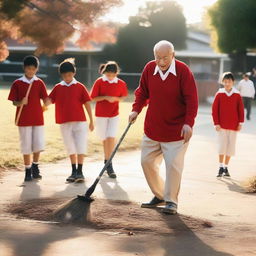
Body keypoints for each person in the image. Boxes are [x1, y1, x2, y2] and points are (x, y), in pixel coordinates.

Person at [129, 40, 198, 215]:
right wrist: (135, 110)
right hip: (153, 128)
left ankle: (171, 201)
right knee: (146, 161)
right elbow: (142, 92)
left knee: (173, 166)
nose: (160, 62)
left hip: (177, 131)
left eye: (165, 58)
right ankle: (160, 195)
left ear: (173, 55)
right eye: (157, 57)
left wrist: (188, 123)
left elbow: (192, 99)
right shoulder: (149, 68)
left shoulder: (183, 71)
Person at [46, 58, 94, 182]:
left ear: (74, 73)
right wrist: (42, 102)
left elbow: (87, 104)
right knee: (70, 146)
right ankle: (73, 172)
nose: (67, 77)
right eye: (64, 75)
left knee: (80, 146)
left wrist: (91, 120)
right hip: (64, 122)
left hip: (80, 122)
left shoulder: (80, 86)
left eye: (69, 75)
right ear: (61, 75)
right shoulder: (58, 87)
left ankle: (80, 172)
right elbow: (49, 101)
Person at [8, 55, 48, 181]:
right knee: (26, 145)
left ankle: (35, 167)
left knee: (38, 144)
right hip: (24, 120)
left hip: (37, 118)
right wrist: (21, 102)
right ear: (24, 68)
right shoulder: (17, 83)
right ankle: (27, 170)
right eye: (28, 68)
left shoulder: (39, 82)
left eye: (33, 69)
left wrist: (47, 103)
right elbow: (14, 102)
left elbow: (45, 98)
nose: (30, 71)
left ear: (36, 69)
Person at [90, 61, 128, 178]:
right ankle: (107, 161)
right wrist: (105, 97)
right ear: (104, 72)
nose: (110, 77)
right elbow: (93, 98)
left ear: (116, 73)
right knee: (104, 139)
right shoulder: (99, 82)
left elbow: (123, 97)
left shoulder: (121, 83)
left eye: (113, 74)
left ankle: (109, 164)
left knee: (111, 137)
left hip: (114, 115)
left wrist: (115, 99)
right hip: (101, 115)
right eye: (108, 74)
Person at [212, 72, 244, 178]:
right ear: (222, 82)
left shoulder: (237, 94)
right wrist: (216, 123)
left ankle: (226, 167)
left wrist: (241, 123)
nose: (227, 83)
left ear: (233, 82)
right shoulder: (219, 93)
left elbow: (240, 110)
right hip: (221, 126)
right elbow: (214, 110)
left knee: (231, 147)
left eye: (229, 81)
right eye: (225, 81)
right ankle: (220, 166)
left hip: (234, 126)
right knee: (222, 146)